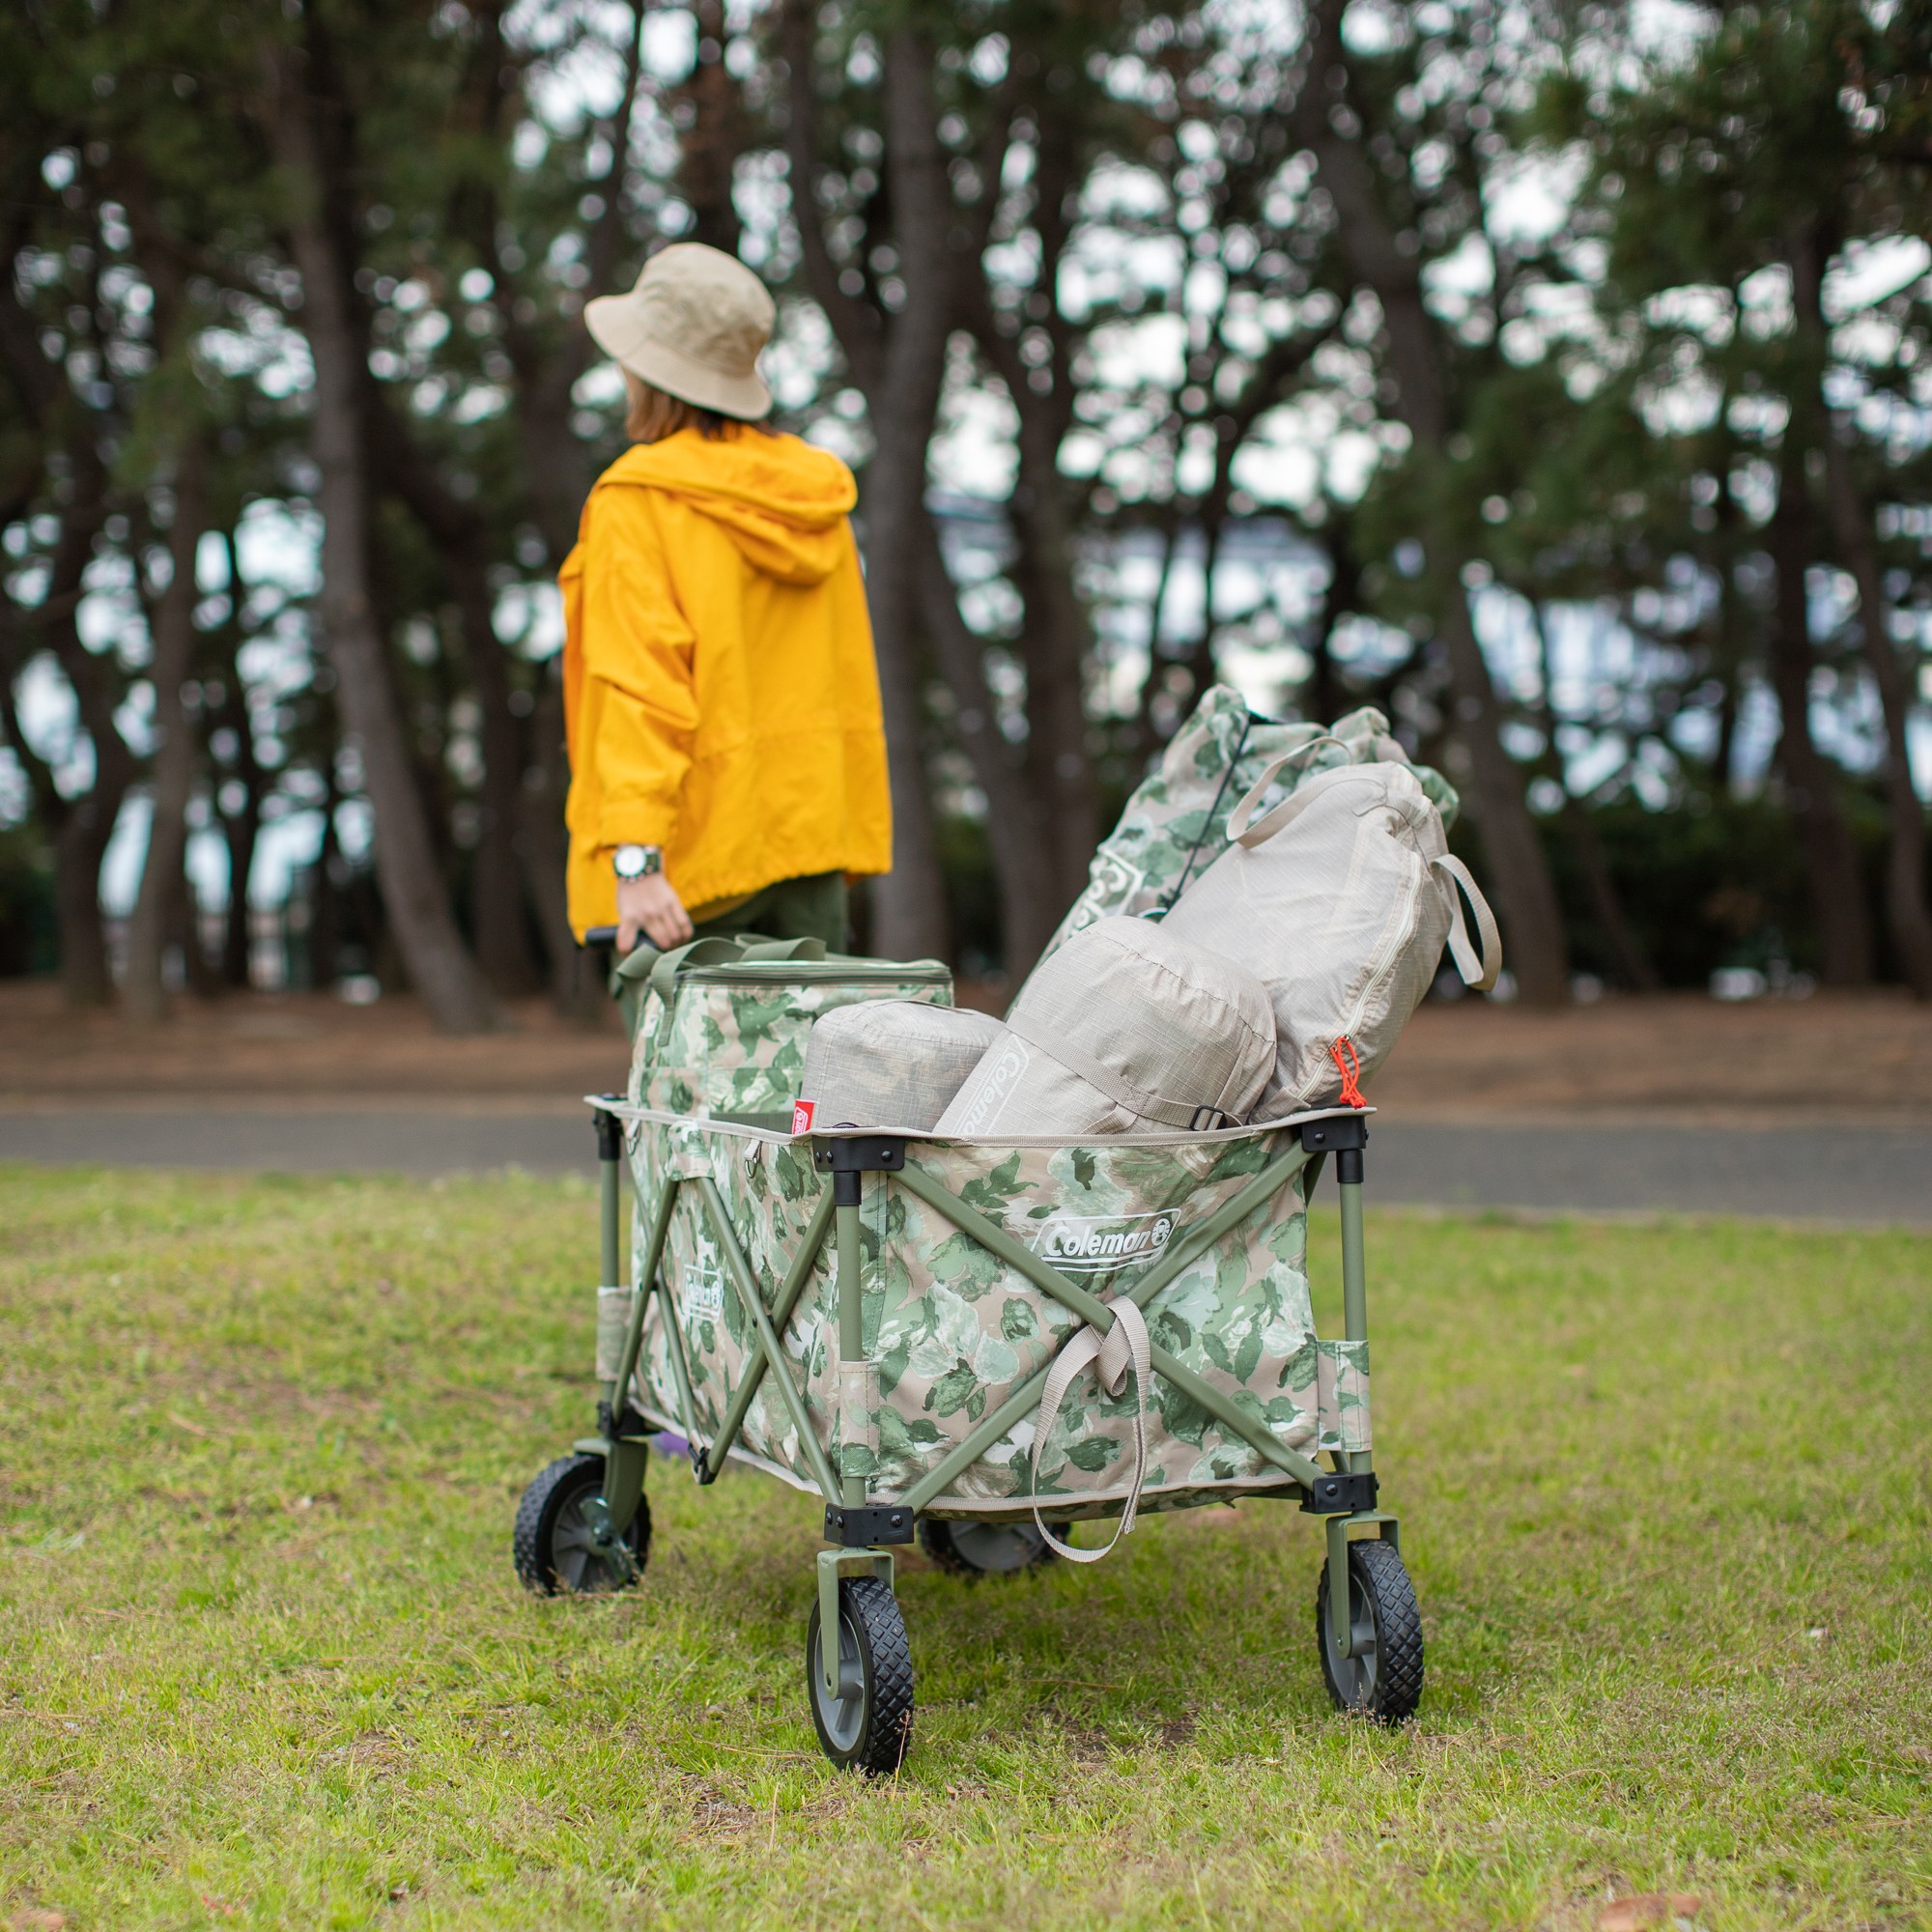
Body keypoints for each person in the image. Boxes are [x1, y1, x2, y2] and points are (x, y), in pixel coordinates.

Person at [559, 242, 891, 961]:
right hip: (812, 855)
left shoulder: (637, 500)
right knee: (808, 1078)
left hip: (685, 879)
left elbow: (639, 689)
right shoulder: (815, 500)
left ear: (646, 368)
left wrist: (635, 860)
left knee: (685, 1079)